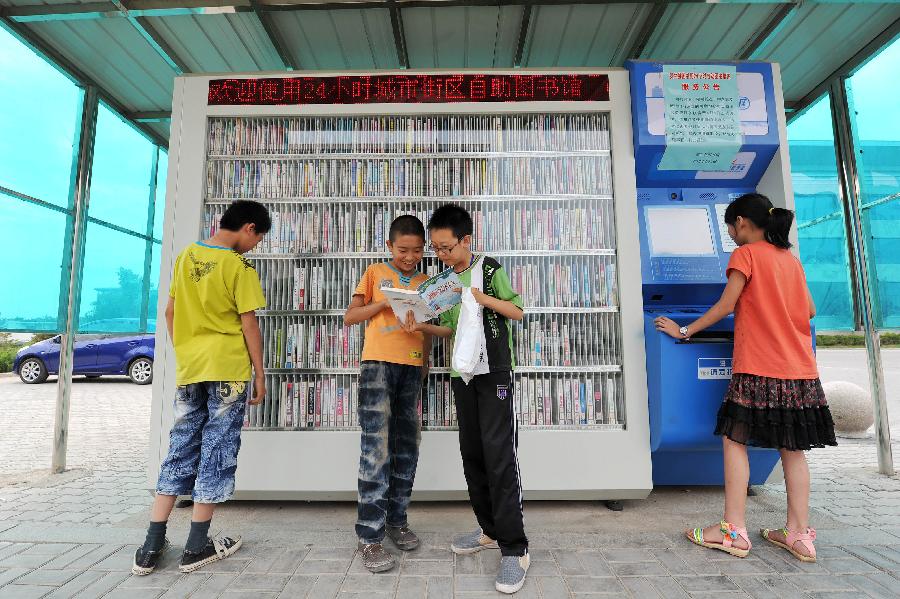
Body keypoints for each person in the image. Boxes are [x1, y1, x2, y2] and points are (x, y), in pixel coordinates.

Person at [654, 193, 836, 563]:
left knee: (735, 440)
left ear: (740, 223)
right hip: (799, 370)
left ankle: (733, 530)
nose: (732, 236)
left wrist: (684, 331)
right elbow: (811, 310)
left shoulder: (746, 255)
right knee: (793, 448)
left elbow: (725, 305)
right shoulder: (790, 259)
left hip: (758, 368)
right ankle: (799, 534)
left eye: (731, 228)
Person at [132, 200, 269, 575]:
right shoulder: (238, 266)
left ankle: (151, 545)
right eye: (257, 240)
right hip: (227, 367)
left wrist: (188, 351)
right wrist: (260, 372)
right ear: (249, 228)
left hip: (192, 368)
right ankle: (196, 544)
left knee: (181, 446)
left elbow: (170, 313)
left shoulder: (186, 256)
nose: (254, 247)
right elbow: (249, 324)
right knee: (217, 449)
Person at [404, 204, 529, 594]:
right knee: (472, 451)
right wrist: (419, 323)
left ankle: (515, 548)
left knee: (499, 455)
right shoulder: (444, 280)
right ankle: (489, 530)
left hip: (494, 374)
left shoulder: (489, 270)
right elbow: (448, 329)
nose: (439, 255)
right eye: (436, 249)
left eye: (445, 248)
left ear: (466, 241)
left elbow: (518, 311)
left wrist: (480, 298)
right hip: (463, 374)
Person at [344, 215, 431, 572]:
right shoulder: (374, 273)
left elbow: (426, 330)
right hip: (377, 366)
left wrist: (424, 366)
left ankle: (397, 521)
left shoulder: (428, 281)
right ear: (389, 246)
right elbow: (351, 317)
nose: (410, 257)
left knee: (407, 448)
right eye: (402, 250)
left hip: (412, 369)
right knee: (376, 449)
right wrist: (383, 303)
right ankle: (369, 536)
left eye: (416, 251)